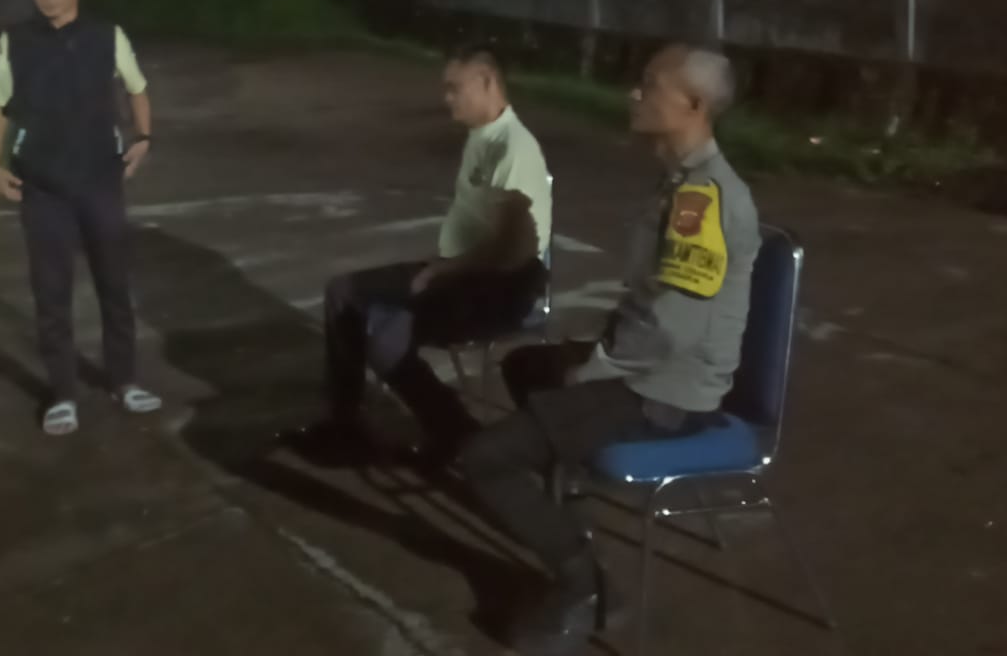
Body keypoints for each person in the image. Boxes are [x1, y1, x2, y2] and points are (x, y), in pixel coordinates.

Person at [458, 44, 760, 654]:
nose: (634, 94)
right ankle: (571, 507)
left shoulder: (702, 198)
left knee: (484, 459)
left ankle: (584, 586)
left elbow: (671, 328)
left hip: (665, 392)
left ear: (693, 104)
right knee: (528, 366)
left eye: (649, 85)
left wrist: (595, 368)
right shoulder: (679, 181)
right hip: (650, 367)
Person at [285, 45, 553, 471]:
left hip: (501, 289)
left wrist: (442, 270)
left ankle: (457, 431)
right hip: (466, 274)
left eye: (455, 88)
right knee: (343, 293)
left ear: (486, 82)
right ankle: (346, 424)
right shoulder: (484, 139)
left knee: (385, 335)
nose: (447, 98)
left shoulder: (513, 150)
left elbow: (513, 250)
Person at [0, 0, 161, 437]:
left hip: (100, 179)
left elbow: (137, 88)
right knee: (51, 293)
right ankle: (62, 394)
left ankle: (124, 380)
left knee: (114, 285)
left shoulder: (107, 36)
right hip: (43, 187)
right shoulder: (16, 41)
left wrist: (143, 138)